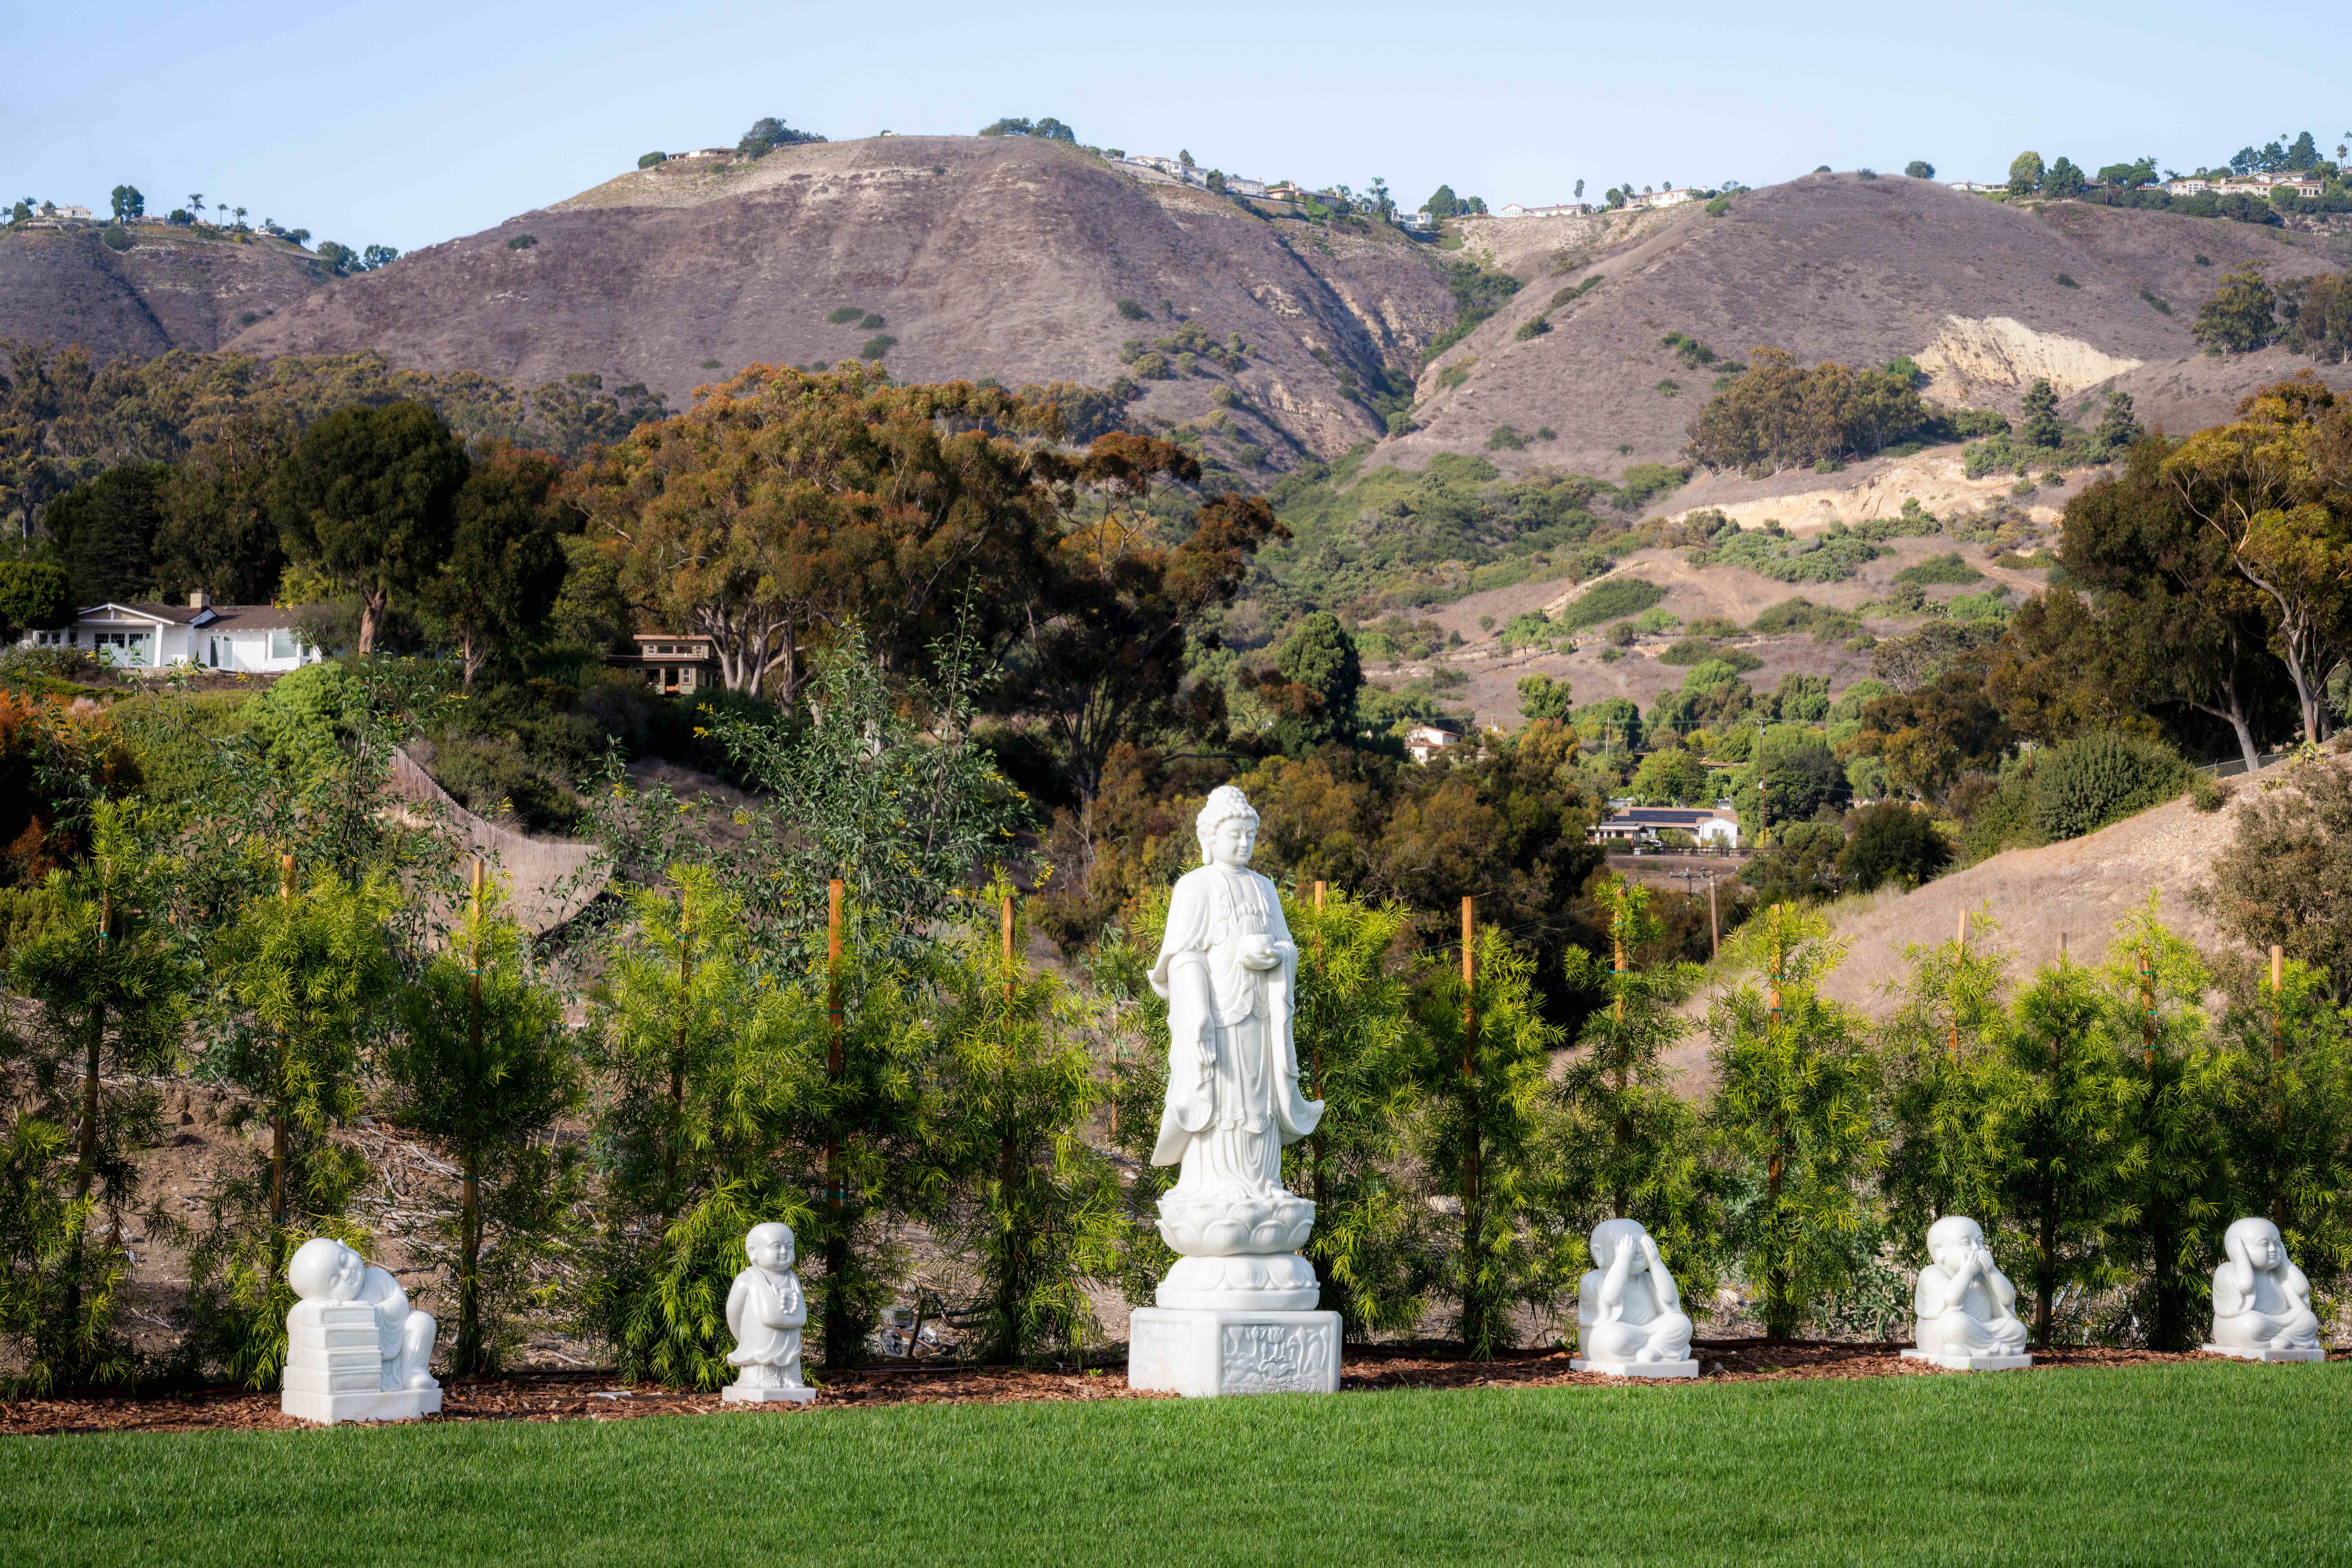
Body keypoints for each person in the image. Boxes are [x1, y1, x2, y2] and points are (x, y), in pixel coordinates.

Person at [1148, 786, 1322, 1201]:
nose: (1243, 844)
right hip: (1219, 1016)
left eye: (1250, 836)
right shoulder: (1195, 886)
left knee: (1259, 1099)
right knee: (1223, 1098)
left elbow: (1288, 946)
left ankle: (1263, 1182)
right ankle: (1214, 1182)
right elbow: (1181, 957)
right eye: (1234, 835)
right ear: (1209, 838)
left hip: (1262, 1018)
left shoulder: (1266, 888)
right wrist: (1200, 1014)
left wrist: (1274, 955)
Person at [286, 1236, 437, 1391]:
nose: (347, 1274)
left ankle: (413, 1371)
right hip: (362, 1363)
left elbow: (401, 1303)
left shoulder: (378, 1276)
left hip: (398, 1336)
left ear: (345, 1247)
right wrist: (313, 1305)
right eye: (334, 1281)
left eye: (344, 1261)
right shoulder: (335, 1310)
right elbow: (296, 1316)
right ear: (323, 1296)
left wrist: (375, 1312)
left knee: (422, 1321)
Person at [1576, 1218, 1693, 1365]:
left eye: (1642, 1243)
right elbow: (1611, 1297)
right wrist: (1623, 1260)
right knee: (1614, 1338)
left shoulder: (1647, 1278)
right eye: (1628, 1244)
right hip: (1619, 1334)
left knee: (1682, 1324)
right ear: (1599, 1253)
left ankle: (1654, 1351)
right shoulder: (1592, 1279)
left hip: (1653, 1331)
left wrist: (1656, 1262)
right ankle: (1657, 1351)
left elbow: (1669, 1297)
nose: (1637, 1250)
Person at [1912, 1215, 2029, 1358]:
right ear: (1940, 1251)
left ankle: (1972, 1347)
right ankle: (1994, 1347)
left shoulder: (1983, 1276)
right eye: (1967, 1243)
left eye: (1980, 1242)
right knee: (1955, 1324)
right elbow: (1951, 1299)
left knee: (2018, 1330)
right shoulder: (1931, 1274)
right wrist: (1966, 1273)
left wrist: (1992, 1272)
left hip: (1984, 1328)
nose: (1976, 1248)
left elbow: (2008, 1298)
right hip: (1945, 1330)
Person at [2209, 1217, 2321, 1355]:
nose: (2273, 1249)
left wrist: (2285, 1262)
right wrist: (2242, 1259)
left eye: (2277, 1244)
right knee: (2251, 1325)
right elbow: (2246, 1287)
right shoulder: (2227, 1270)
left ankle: (2285, 1339)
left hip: (2283, 1321)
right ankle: (2293, 1341)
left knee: (2308, 1320)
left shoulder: (2276, 1273)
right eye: (2265, 1244)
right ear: (2240, 1249)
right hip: (2247, 1324)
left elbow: (2302, 1288)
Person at [724, 1222, 809, 1394]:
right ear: (753, 1252)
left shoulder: (792, 1279)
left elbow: (801, 1308)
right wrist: (741, 1337)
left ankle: (790, 1377)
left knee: (791, 1356)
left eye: (789, 1247)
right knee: (764, 1355)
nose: (784, 1252)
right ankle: (763, 1377)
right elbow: (733, 1311)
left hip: (790, 1337)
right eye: (776, 1247)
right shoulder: (747, 1279)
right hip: (759, 1339)